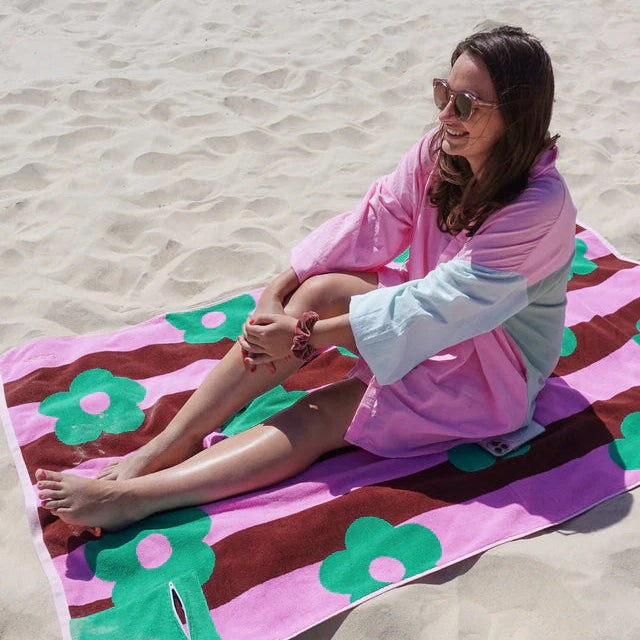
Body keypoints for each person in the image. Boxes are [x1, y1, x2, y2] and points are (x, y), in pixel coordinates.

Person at [36, 25, 577, 530]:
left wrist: (303, 336)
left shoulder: (539, 207)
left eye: (466, 104)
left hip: (494, 369)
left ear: (517, 115)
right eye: (443, 93)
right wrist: (277, 292)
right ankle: (167, 444)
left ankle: (137, 499)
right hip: (441, 324)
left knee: (324, 411)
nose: (447, 115)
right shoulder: (442, 153)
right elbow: (377, 218)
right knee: (317, 291)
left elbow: (442, 305)